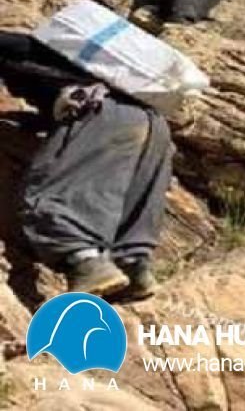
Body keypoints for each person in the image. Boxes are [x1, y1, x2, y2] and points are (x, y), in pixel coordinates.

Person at [0, 31, 173, 299]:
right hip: (153, 125)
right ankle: (132, 267)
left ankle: (85, 262)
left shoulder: (28, 47)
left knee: (48, 197)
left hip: (105, 113)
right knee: (122, 199)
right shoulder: (79, 62)